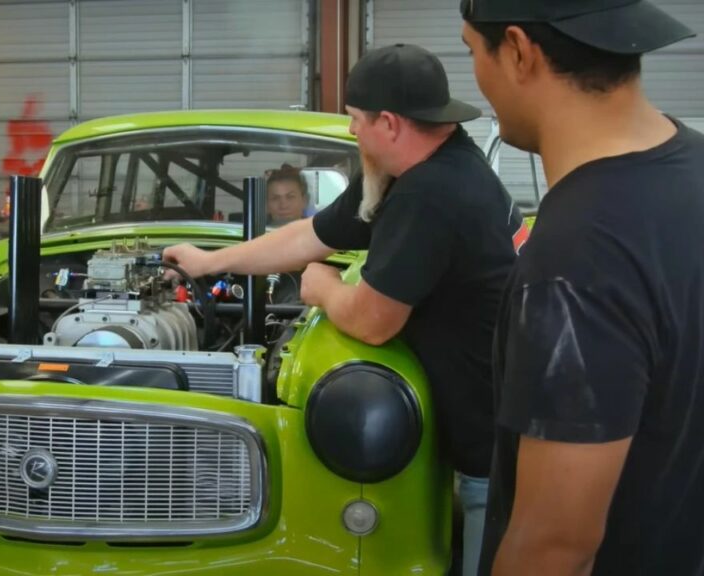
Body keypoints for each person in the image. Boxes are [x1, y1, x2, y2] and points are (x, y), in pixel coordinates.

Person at [164, 44, 526, 576]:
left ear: (390, 122)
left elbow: (372, 322)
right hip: (487, 431)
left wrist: (323, 289)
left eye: (356, 121)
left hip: (493, 460)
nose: (352, 132)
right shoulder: (420, 166)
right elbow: (311, 234)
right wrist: (209, 262)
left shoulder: (432, 195)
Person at [460, 2, 704, 575]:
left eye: (472, 50)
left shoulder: (578, 260)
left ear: (519, 51)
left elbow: (555, 548)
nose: (474, 74)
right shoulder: (694, 170)